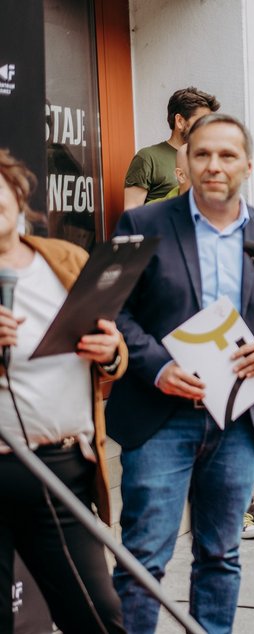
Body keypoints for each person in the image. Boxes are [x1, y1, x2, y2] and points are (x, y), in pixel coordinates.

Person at [107, 113, 254, 633]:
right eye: (202, 154)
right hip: (159, 418)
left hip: (238, 419)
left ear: (247, 165)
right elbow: (112, 310)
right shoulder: (140, 225)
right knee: (143, 557)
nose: (213, 165)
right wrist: (157, 368)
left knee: (221, 554)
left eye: (226, 155)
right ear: (183, 164)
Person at [0, 149, 126, 633]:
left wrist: (111, 350)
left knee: (97, 615)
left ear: (19, 191)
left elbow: (111, 357)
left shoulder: (65, 259)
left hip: (60, 466)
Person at [123, 86, 219, 208]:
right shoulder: (147, 158)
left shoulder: (208, 159)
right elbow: (132, 215)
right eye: (201, 122)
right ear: (179, 121)